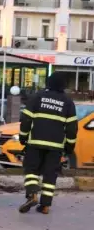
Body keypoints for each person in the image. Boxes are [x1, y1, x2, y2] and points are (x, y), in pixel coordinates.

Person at [18, 72, 77, 215]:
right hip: (55, 146)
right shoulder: (68, 102)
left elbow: (26, 119)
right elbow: (72, 128)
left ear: (48, 83)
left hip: (35, 143)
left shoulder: (37, 97)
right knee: (50, 175)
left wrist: (23, 137)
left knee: (31, 170)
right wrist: (69, 146)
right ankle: (45, 206)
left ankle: (32, 194)